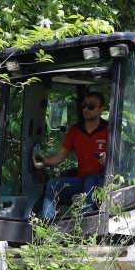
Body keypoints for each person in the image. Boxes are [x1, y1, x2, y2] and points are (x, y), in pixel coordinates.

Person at [35, 90, 108, 220]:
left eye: (91, 106)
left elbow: (120, 157)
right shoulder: (75, 131)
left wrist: (109, 158)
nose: (86, 109)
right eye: (84, 106)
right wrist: (44, 160)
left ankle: (86, 229)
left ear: (101, 109)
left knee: (91, 181)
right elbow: (60, 157)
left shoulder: (109, 129)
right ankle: (45, 226)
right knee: (53, 184)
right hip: (81, 179)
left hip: (102, 180)